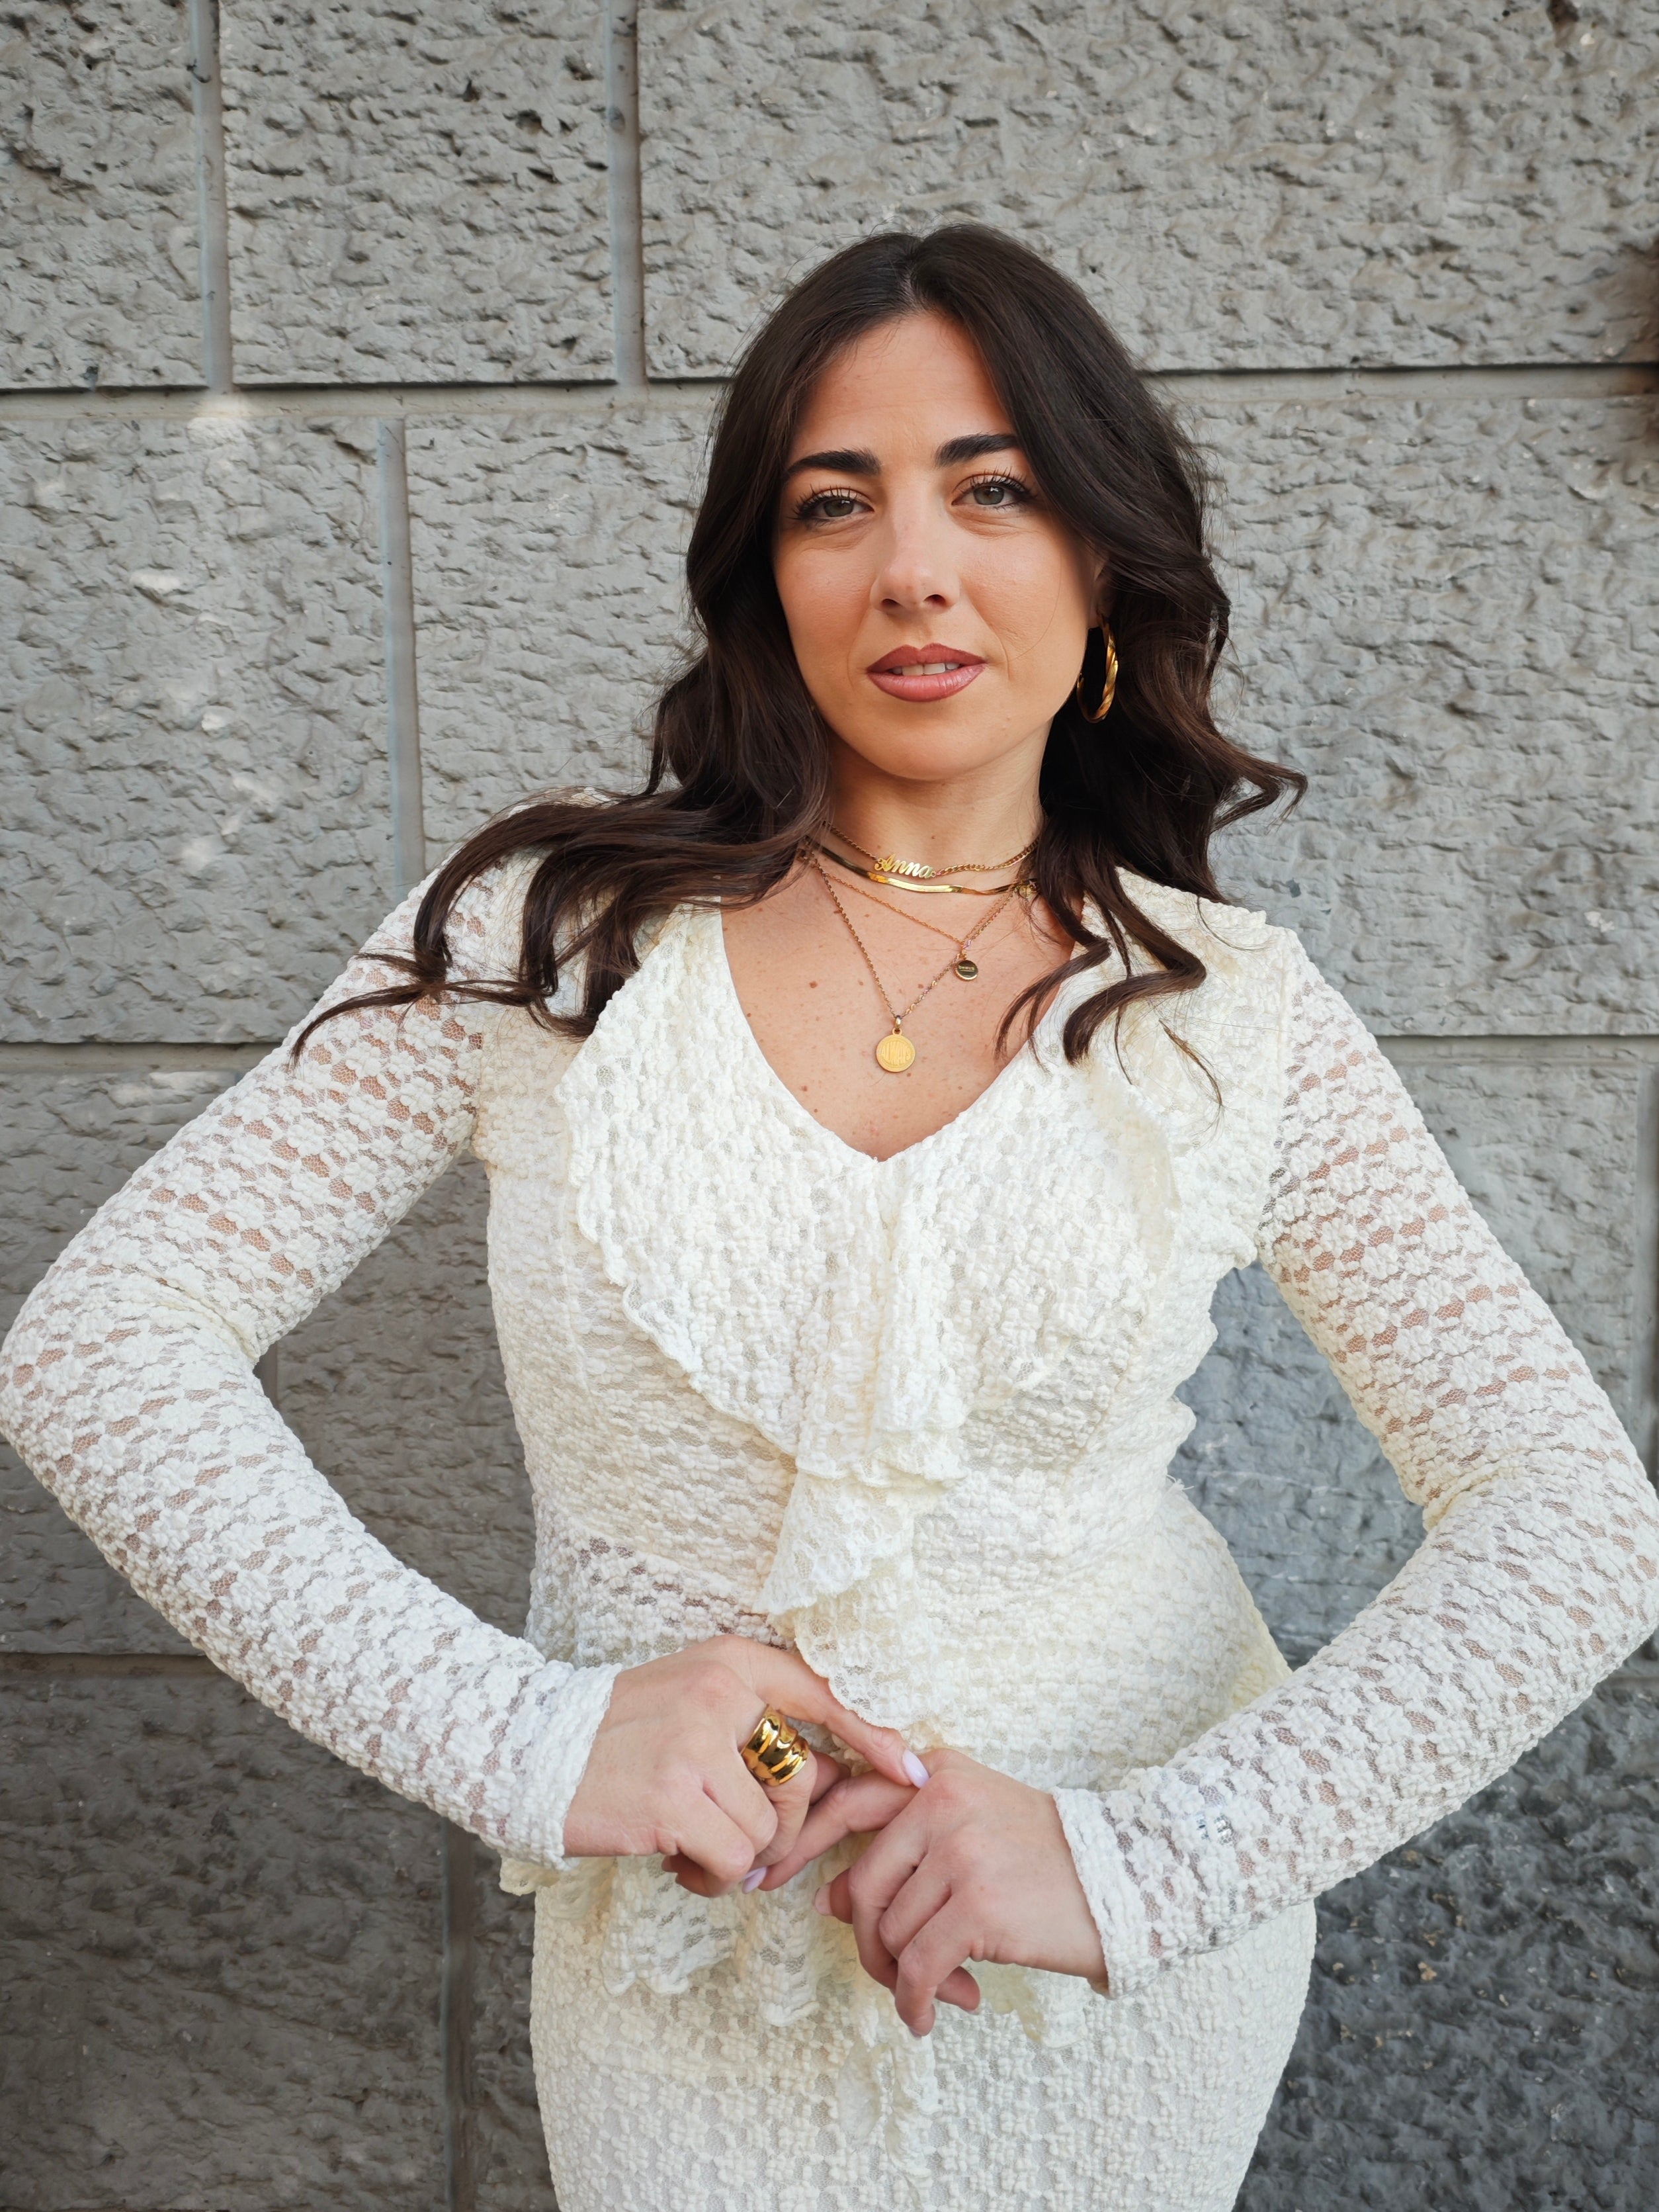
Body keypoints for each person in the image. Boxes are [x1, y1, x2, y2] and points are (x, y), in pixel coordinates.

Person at [4, 226, 1655, 2212]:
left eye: (994, 490)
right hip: (684, 1971)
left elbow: (1573, 1520)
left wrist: (1151, 1861)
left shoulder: (1230, 1013)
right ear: (762, 577)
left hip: (1118, 1983)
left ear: (1104, 563)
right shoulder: (545, 951)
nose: (913, 568)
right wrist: (522, 1738)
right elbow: (101, 1352)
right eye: (833, 502)